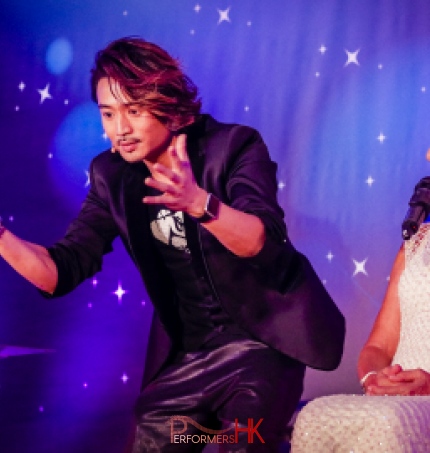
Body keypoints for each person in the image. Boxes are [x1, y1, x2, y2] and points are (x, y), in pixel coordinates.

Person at [0, 37, 345, 452]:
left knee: (242, 441)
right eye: (108, 114)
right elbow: (61, 270)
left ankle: (263, 435)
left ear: (167, 103)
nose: (120, 128)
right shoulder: (111, 174)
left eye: (134, 110)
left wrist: (199, 203)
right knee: (161, 436)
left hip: (260, 347)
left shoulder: (233, 146)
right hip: (190, 359)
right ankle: (231, 433)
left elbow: (261, 241)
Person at [291, 195, 430, 452]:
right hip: (394, 399)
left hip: (413, 407)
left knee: (390, 423)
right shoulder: (416, 244)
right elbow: (379, 347)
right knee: (315, 415)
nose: (428, 155)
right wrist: (374, 379)